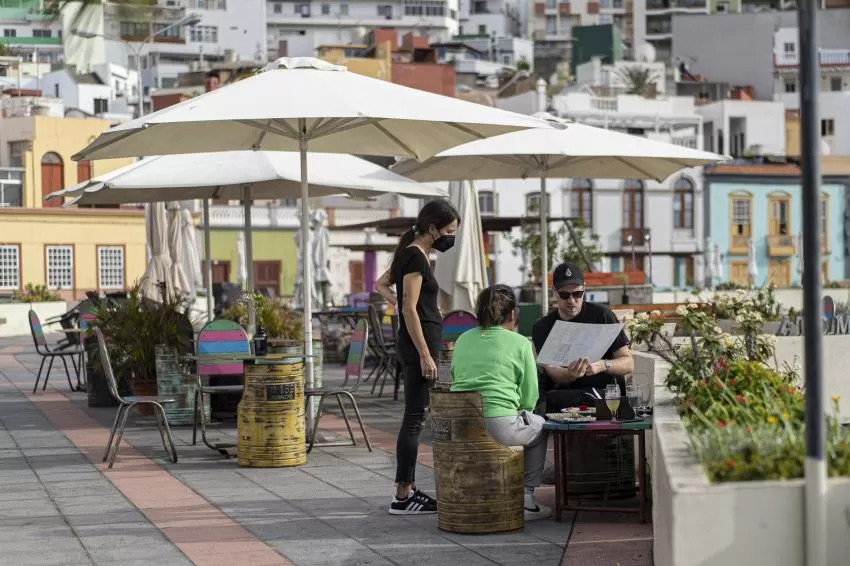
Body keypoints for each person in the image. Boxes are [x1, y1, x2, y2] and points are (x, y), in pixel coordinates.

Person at [374, 199, 460, 515]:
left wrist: (424, 308)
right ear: (433, 228)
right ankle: (402, 495)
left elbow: (381, 285)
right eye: (449, 231)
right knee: (414, 419)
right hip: (416, 348)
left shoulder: (411, 253)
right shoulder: (415, 256)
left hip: (417, 343)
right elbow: (409, 309)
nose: (451, 237)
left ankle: (407, 490)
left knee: (416, 417)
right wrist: (425, 354)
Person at [450, 285, 552, 520]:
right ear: (513, 313)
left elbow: (455, 377)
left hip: (461, 425)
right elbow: (530, 395)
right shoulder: (520, 343)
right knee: (540, 426)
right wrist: (524, 412)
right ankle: (526, 498)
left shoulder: (462, 339)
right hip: (500, 425)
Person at [532, 262, 634, 413]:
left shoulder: (602, 315)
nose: (571, 300)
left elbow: (628, 363)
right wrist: (570, 374)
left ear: (584, 289)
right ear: (554, 292)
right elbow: (552, 370)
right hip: (564, 398)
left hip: (602, 394)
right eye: (564, 295)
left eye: (577, 294)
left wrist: (602, 366)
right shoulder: (542, 327)